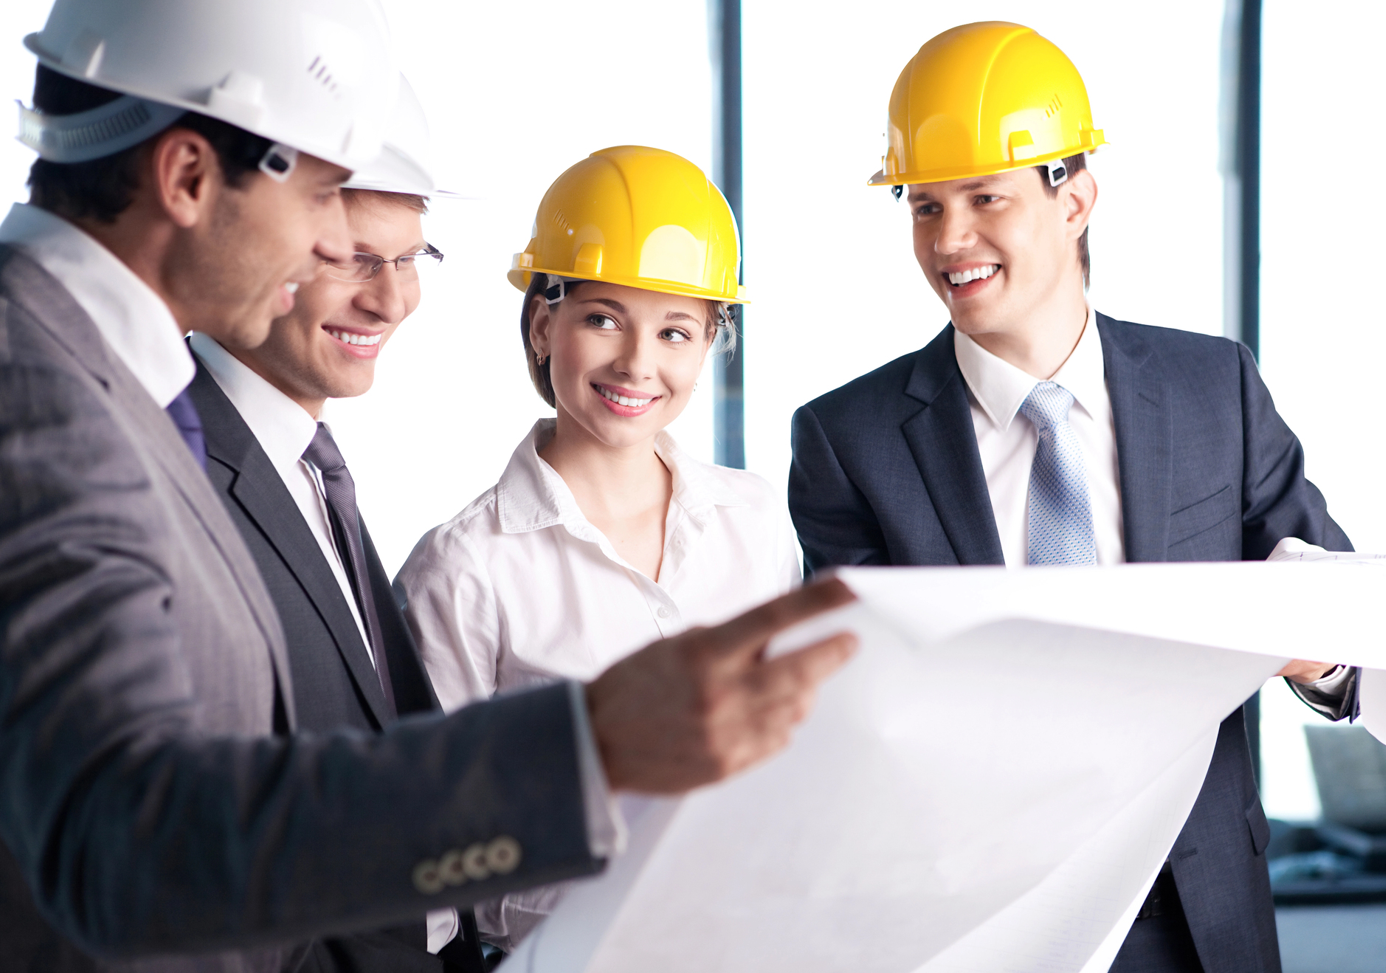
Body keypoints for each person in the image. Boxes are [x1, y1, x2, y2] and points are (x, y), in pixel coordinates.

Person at [0, 3, 856, 970]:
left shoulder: (115, 389)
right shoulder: (37, 393)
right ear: (189, 176)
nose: (336, 250)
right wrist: (589, 750)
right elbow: (126, 844)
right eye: (327, 197)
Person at [787, 22, 1353, 973]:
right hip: (983, 919)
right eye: (923, 207)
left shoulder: (1213, 385)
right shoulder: (848, 439)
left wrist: (1320, 655)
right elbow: (862, 706)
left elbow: (1339, 614)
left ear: (1075, 199)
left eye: (984, 198)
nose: (948, 240)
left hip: (1201, 908)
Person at [397, 146, 801, 950]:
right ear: (544, 325)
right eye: (602, 317)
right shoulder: (465, 567)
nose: (637, 364)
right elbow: (428, 847)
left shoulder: (752, 521)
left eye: (676, 330)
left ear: (711, 342)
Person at [185, 78, 486, 972]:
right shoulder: (174, 467)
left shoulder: (307, 467)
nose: (391, 301)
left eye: (412, 258)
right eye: (353, 258)